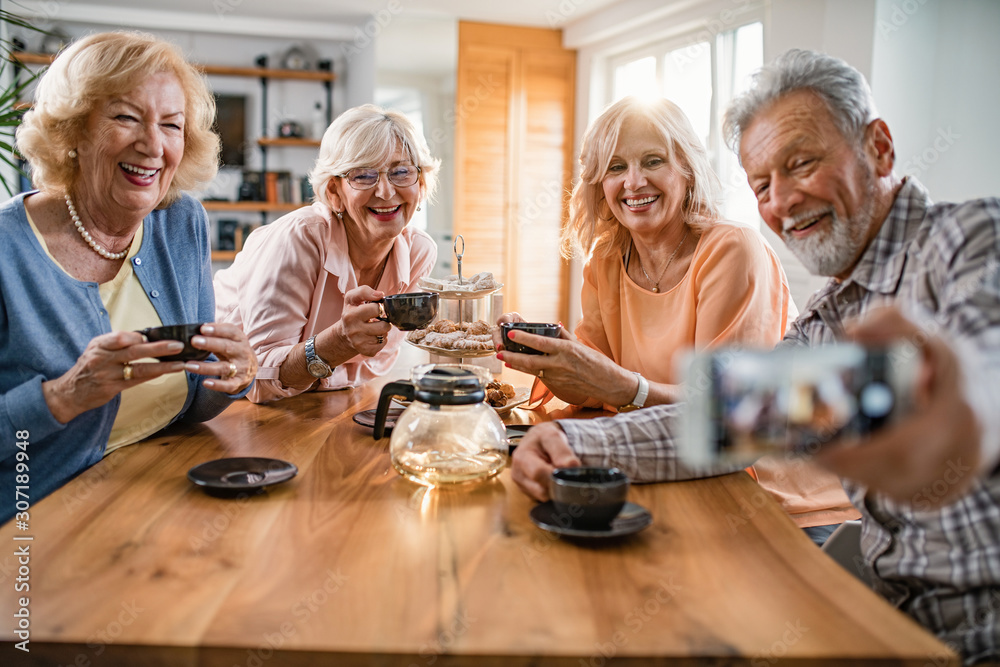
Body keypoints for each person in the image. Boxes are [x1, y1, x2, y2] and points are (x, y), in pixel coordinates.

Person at [511, 49, 1000, 664]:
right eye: (762, 184)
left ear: (878, 147)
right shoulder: (831, 312)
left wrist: (923, 394)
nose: (782, 202)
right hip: (884, 602)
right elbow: (727, 417)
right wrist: (579, 446)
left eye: (801, 165)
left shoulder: (971, 238)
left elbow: (979, 380)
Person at [497, 96, 857, 543]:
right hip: (675, 472)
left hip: (778, 499)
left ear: (686, 170)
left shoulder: (731, 250)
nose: (633, 182)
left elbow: (729, 415)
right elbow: (591, 392)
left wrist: (626, 388)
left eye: (653, 161)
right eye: (615, 167)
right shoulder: (607, 259)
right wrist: (554, 358)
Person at [1, 32, 258, 522]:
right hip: (33, 522)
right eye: (125, 117)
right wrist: (64, 395)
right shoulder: (7, 248)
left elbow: (192, 399)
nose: (153, 145)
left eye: (172, 125)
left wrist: (233, 375)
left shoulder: (180, 222)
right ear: (73, 129)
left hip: (158, 493)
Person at [213, 105, 440, 403]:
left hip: (319, 402)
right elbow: (258, 381)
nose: (385, 192)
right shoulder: (300, 237)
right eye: (363, 175)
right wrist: (337, 345)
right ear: (334, 191)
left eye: (401, 172)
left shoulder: (419, 252)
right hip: (216, 399)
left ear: (420, 184)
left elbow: (369, 366)